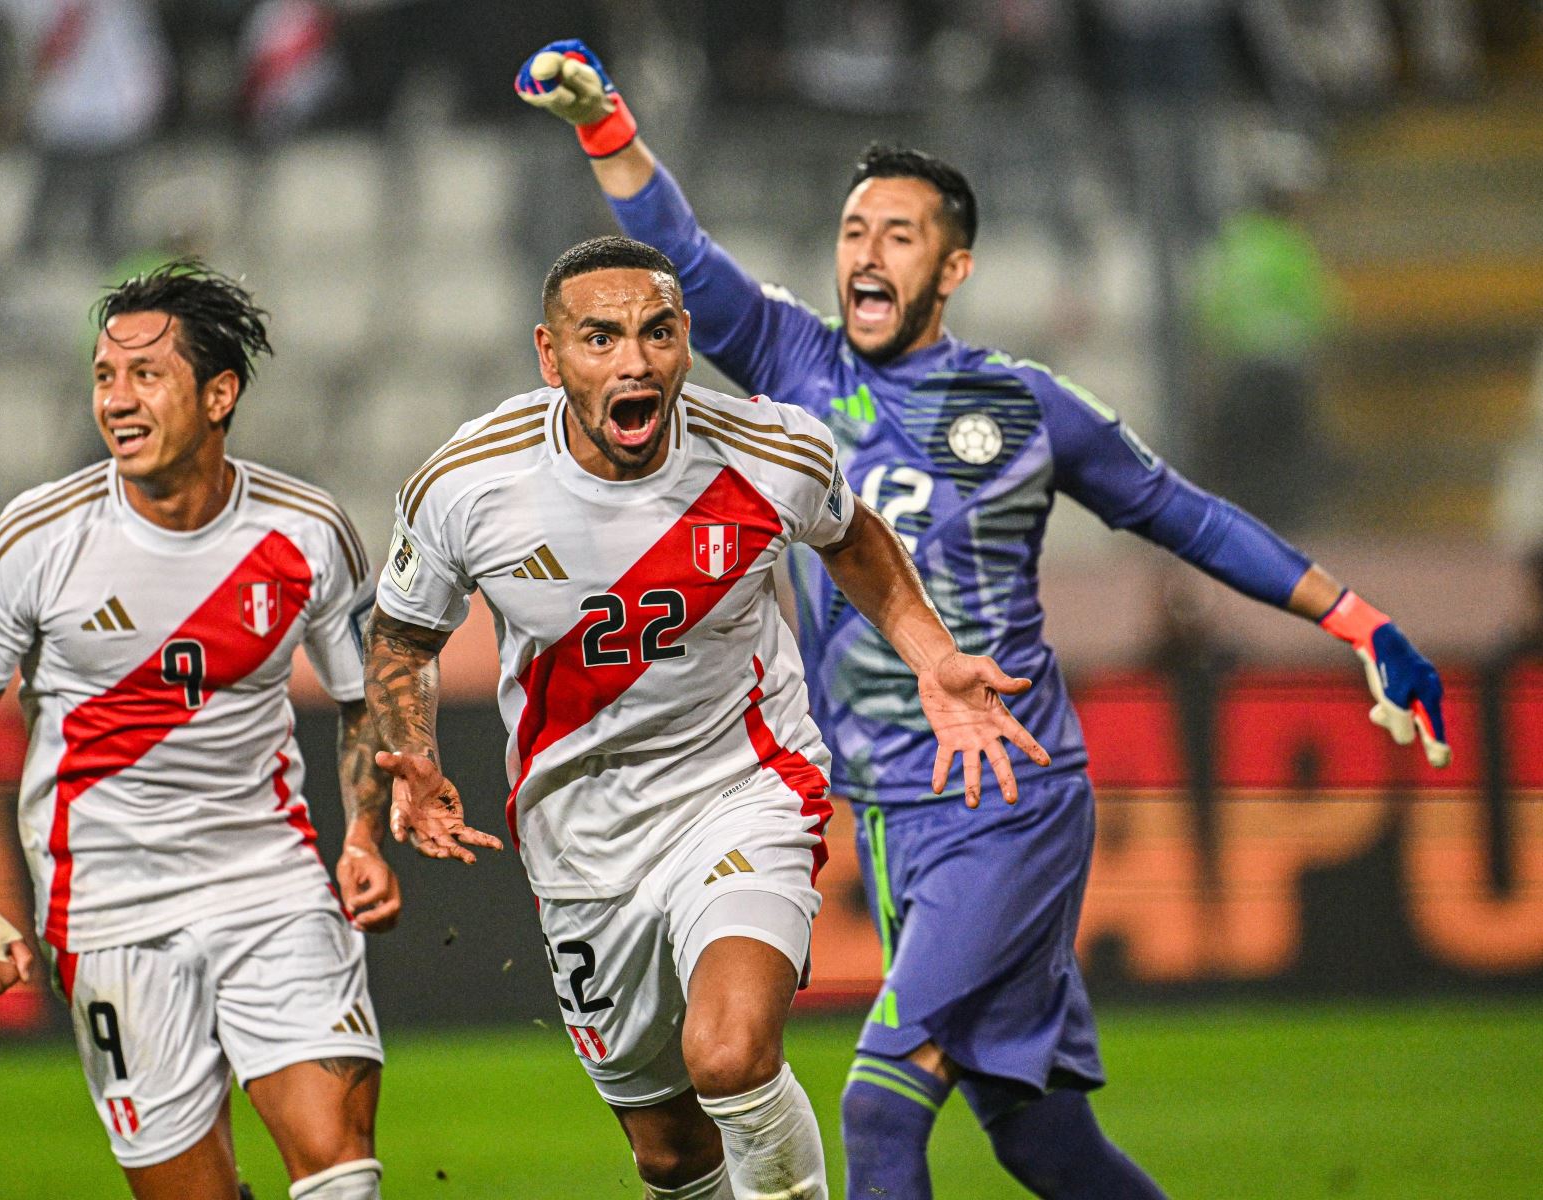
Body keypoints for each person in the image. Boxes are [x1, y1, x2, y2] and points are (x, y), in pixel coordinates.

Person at [515, 41, 1452, 1200]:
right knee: (1039, 1135)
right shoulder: (796, 365)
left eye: (897, 236)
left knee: (878, 1103)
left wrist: (1360, 621)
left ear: (951, 267)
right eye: (855, 232)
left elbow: (1185, 517)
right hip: (897, 816)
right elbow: (690, 264)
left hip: (1007, 796)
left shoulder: (1023, 406)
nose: (866, 253)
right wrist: (606, 122)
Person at [361, 234, 1050, 1200]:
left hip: (744, 790)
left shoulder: (771, 453)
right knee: (672, 1156)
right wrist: (415, 749)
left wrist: (934, 660)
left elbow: (852, 540)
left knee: (729, 1054)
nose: (634, 362)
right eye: (600, 339)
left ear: (687, 342)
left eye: (657, 334)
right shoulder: (468, 484)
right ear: (550, 356)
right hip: (582, 840)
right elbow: (401, 639)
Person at [0, 263, 404, 1200]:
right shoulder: (38, 542)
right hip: (106, 908)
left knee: (343, 1172)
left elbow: (362, 697)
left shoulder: (306, 533)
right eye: (103, 375)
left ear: (220, 395)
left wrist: (365, 834)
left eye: (145, 376)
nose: (117, 400)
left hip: (270, 881)